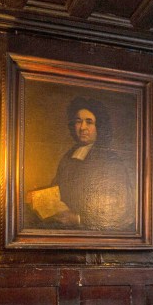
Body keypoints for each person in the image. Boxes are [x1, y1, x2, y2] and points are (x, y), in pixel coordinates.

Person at [30, 97, 136, 231]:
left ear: (99, 127)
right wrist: (41, 197)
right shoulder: (68, 156)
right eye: (78, 121)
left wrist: (78, 219)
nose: (82, 127)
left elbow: (122, 211)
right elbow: (56, 190)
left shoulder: (111, 161)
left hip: (92, 234)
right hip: (62, 228)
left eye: (89, 122)